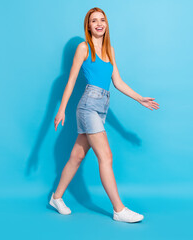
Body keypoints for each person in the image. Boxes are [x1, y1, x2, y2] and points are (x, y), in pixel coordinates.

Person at [50, 7, 159, 223]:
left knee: (77, 156)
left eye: (102, 20)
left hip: (102, 107)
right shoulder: (83, 48)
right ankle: (119, 210)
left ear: (106, 24)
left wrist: (139, 98)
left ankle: (56, 197)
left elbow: (117, 82)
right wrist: (61, 109)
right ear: (88, 26)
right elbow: (70, 80)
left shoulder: (110, 50)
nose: (99, 24)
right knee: (106, 157)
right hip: (88, 105)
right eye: (94, 21)